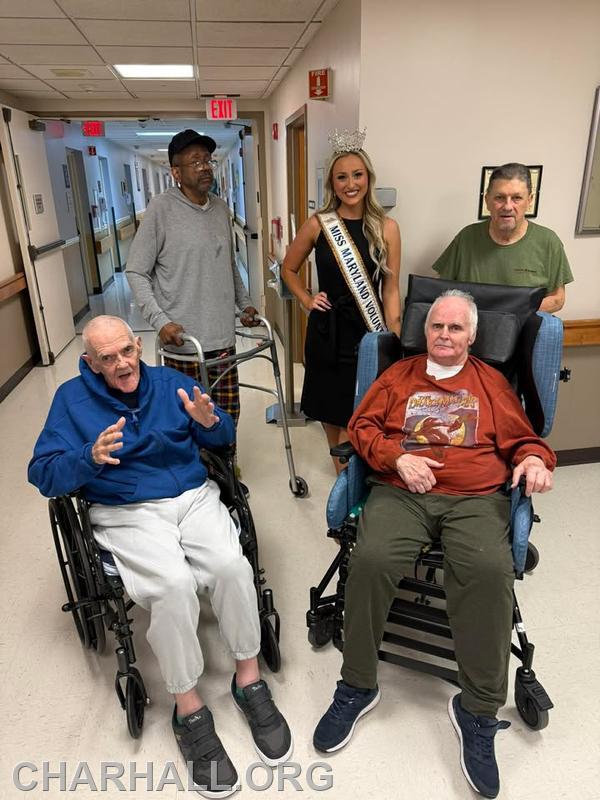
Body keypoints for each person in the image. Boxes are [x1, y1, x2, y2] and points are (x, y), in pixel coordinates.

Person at [28, 315, 291, 799]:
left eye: (127, 351)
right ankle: (188, 709)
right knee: (171, 586)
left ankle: (248, 679)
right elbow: (43, 473)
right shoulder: (71, 400)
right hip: (125, 507)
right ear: (91, 362)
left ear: (138, 345)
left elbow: (221, 439)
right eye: (108, 358)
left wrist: (211, 424)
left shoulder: (171, 383)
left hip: (191, 495)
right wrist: (88, 457)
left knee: (232, 566)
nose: (122, 364)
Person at [313, 291, 555, 799]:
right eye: (437, 326)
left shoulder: (490, 384)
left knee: (489, 571)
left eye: (455, 328)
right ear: (425, 332)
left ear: (472, 336)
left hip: (474, 499)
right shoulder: (399, 377)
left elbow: (524, 439)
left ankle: (478, 711)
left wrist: (534, 460)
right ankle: (357, 684)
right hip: (401, 492)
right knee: (371, 558)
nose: (445, 335)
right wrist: (397, 458)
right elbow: (361, 427)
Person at [281, 130, 401, 473]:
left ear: (368, 178)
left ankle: (353, 475)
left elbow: (391, 289)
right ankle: (342, 475)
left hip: (367, 331)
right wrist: (307, 299)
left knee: (360, 410)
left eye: (357, 175)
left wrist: (394, 335)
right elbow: (288, 269)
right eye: (342, 177)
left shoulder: (387, 228)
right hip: (328, 330)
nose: (351, 184)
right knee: (329, 408)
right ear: (332, 184)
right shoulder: (318, 224)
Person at [126, 128, 259, 428]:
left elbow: (228, 265)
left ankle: (225, 458)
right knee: (185, 419)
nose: (205, 167)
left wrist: (245, 304)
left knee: (226, 417)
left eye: (208, 160)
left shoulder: (220, 208)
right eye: (195, 162)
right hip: (183, 342)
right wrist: (160, 322)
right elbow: (136, 271)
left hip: (222, 338)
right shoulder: (161, 209)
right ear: (176, 172)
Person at [432, 163, 574, 312]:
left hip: (524, 320)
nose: (507, 206)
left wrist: (512, 312)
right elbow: (440, 288)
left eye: (517, 198)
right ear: (487, 200)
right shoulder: (466, 237)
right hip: (475, 320)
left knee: (551, 324)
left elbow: (557, 299)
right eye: (499, 198)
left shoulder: (548, 241)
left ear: (529, 201)